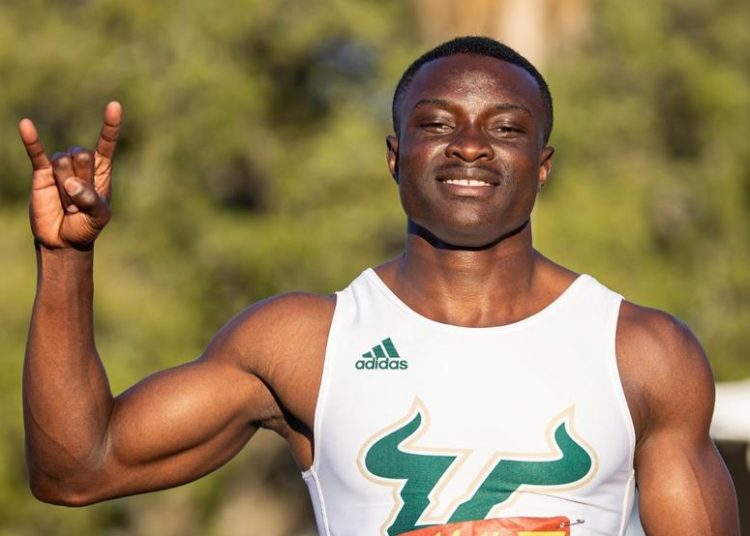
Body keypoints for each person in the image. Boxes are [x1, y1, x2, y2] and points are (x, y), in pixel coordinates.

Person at [19, 36, 739, 536]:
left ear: (542, 164)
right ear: (396, 157)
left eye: (505, 128)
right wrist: (65, 260)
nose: (469, 144)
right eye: (438, 123)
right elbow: (77, 470)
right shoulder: (304, 343)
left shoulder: (641, 350)